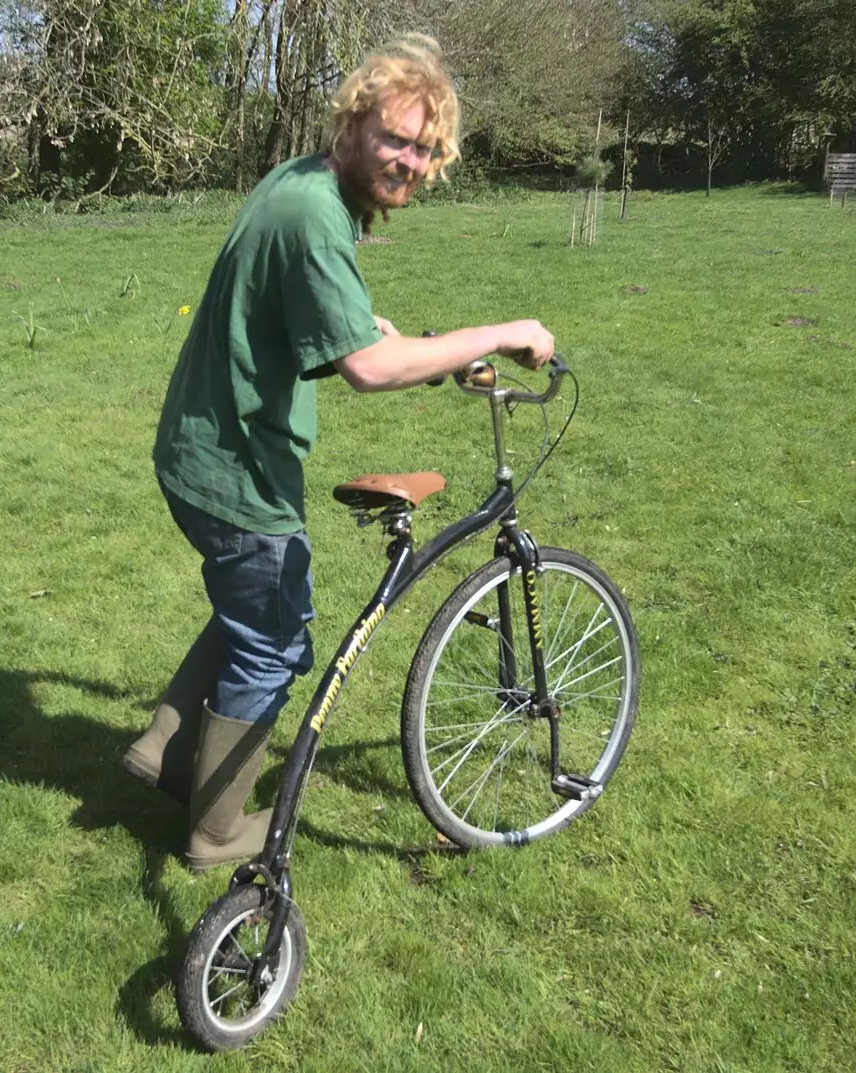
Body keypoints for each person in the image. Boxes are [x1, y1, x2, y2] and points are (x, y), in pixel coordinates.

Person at [123, 35, 555, 872]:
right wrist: (505, 331)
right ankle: (216, 831)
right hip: (234, 468)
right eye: (397, 138)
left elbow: (337, 324)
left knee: (251, 610)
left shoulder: (303, 183)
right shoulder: (319, 214)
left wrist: (426, 346)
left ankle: (167, 752)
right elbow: (364, 366)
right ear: (354, 121)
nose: (410, 161)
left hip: (200, 445)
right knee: (275, 640)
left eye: (426, 150)